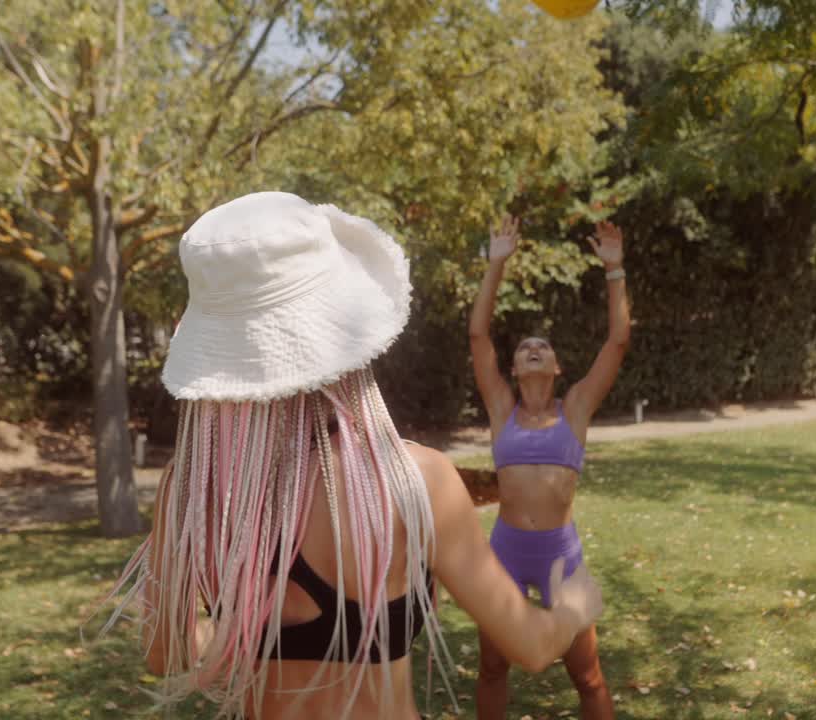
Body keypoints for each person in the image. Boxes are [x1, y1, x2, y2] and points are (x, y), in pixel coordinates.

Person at [100, 192, 603, 720]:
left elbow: (165, 652)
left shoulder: (193, 484)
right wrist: (572, 608)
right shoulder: (414, 478)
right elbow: (531, 645)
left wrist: (239, 628)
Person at [468, 216, 629, 720]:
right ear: (514, 370)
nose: (533, 348)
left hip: (562, 554)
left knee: (587, 675)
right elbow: (477, 335)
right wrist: (497, 263)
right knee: (493, 668)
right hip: (506, 553)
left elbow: (618, 341)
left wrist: (615, 270)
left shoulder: (576, 407)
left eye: (543, 347)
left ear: (557, 368)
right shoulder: (501, 409)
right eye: (523, 349)